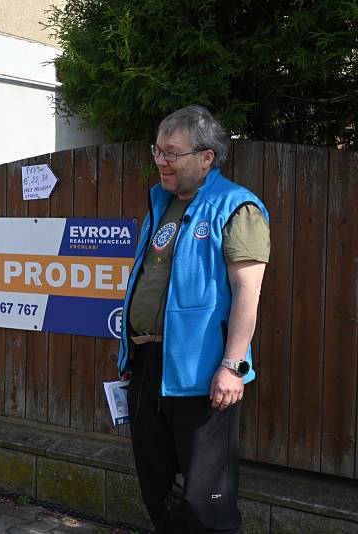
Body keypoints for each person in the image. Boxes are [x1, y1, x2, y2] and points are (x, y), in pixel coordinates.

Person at [117, 105, 270, 533]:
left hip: (204, 373)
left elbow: (248, 291)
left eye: (172, 152)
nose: (161, 160)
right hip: (149, 365)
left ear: (207, 157)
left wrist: (232, 365)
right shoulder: (160, 204)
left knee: (206, 502)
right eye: (158, 151)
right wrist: (133, 356)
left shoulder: (237, 208)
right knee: (158, 488)